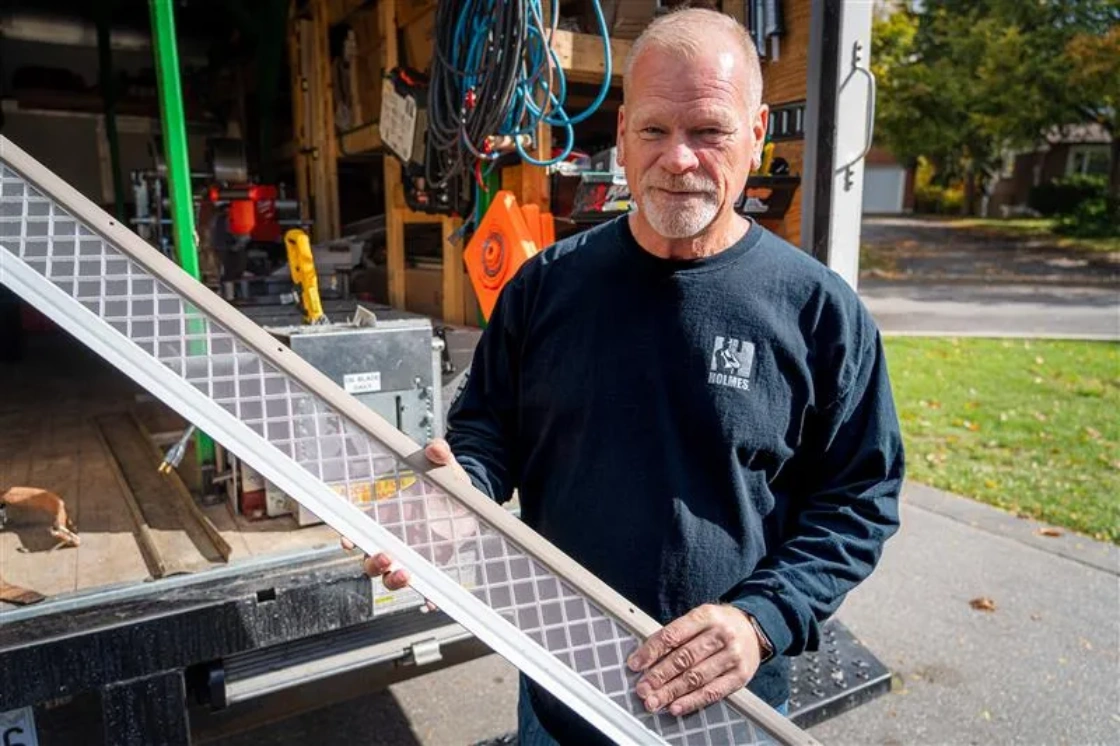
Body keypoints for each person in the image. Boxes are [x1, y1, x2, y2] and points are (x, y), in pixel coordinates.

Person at [347, 7, 904, 744]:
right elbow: (487, 432)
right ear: (621, 134)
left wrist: (761, 619)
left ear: (758, 133)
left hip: (728, 704)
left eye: (709, 131)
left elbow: (859, 499)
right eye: (654, 130)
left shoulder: (819, 314)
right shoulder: (546, 287)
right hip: (560, 688)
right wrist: (462, 496)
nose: (678, 158)